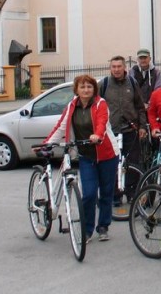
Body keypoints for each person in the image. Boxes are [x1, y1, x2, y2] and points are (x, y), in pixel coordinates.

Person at [43, 74, 119, 242]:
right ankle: (87, 230)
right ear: (76, 90)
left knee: (106, 193)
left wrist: (97, 135)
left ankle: (103, 226)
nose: (86, 90)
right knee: (89, 194)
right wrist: (48, 143)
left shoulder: (100, 103)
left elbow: (102, 122)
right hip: (86, 156)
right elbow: (61, 126)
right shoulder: (72, 106)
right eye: (82, 87)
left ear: (94, 89)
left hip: (107, 154)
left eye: (89, 87)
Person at [99, 56, 148, 204]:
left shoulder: (132, 83)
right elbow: (96, 107)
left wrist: (142, 127)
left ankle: (131, 193)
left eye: (119, 66)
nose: (116, 69)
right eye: (113, 67)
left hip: (130, 131)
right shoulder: (104, 84)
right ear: (110, 68)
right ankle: (115, 195)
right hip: (111, 132)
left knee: (132, 163)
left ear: (124, 67)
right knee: (112, 164)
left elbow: (140, 107)